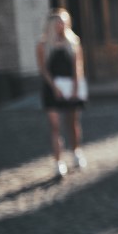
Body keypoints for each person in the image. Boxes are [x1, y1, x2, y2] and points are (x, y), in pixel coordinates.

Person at [36, 9, 87, 178]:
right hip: (51, 89)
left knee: (72, 123)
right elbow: (43, 69)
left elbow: (77, 66)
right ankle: (58, 162)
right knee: (55, 126)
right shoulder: (43, 45)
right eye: (58, 22)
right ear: (51, 24)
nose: (61, 25)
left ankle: (76, 151)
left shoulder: (73, 42)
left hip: (70, 86)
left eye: (64, 22)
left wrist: (75, 85)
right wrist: (54, 87)